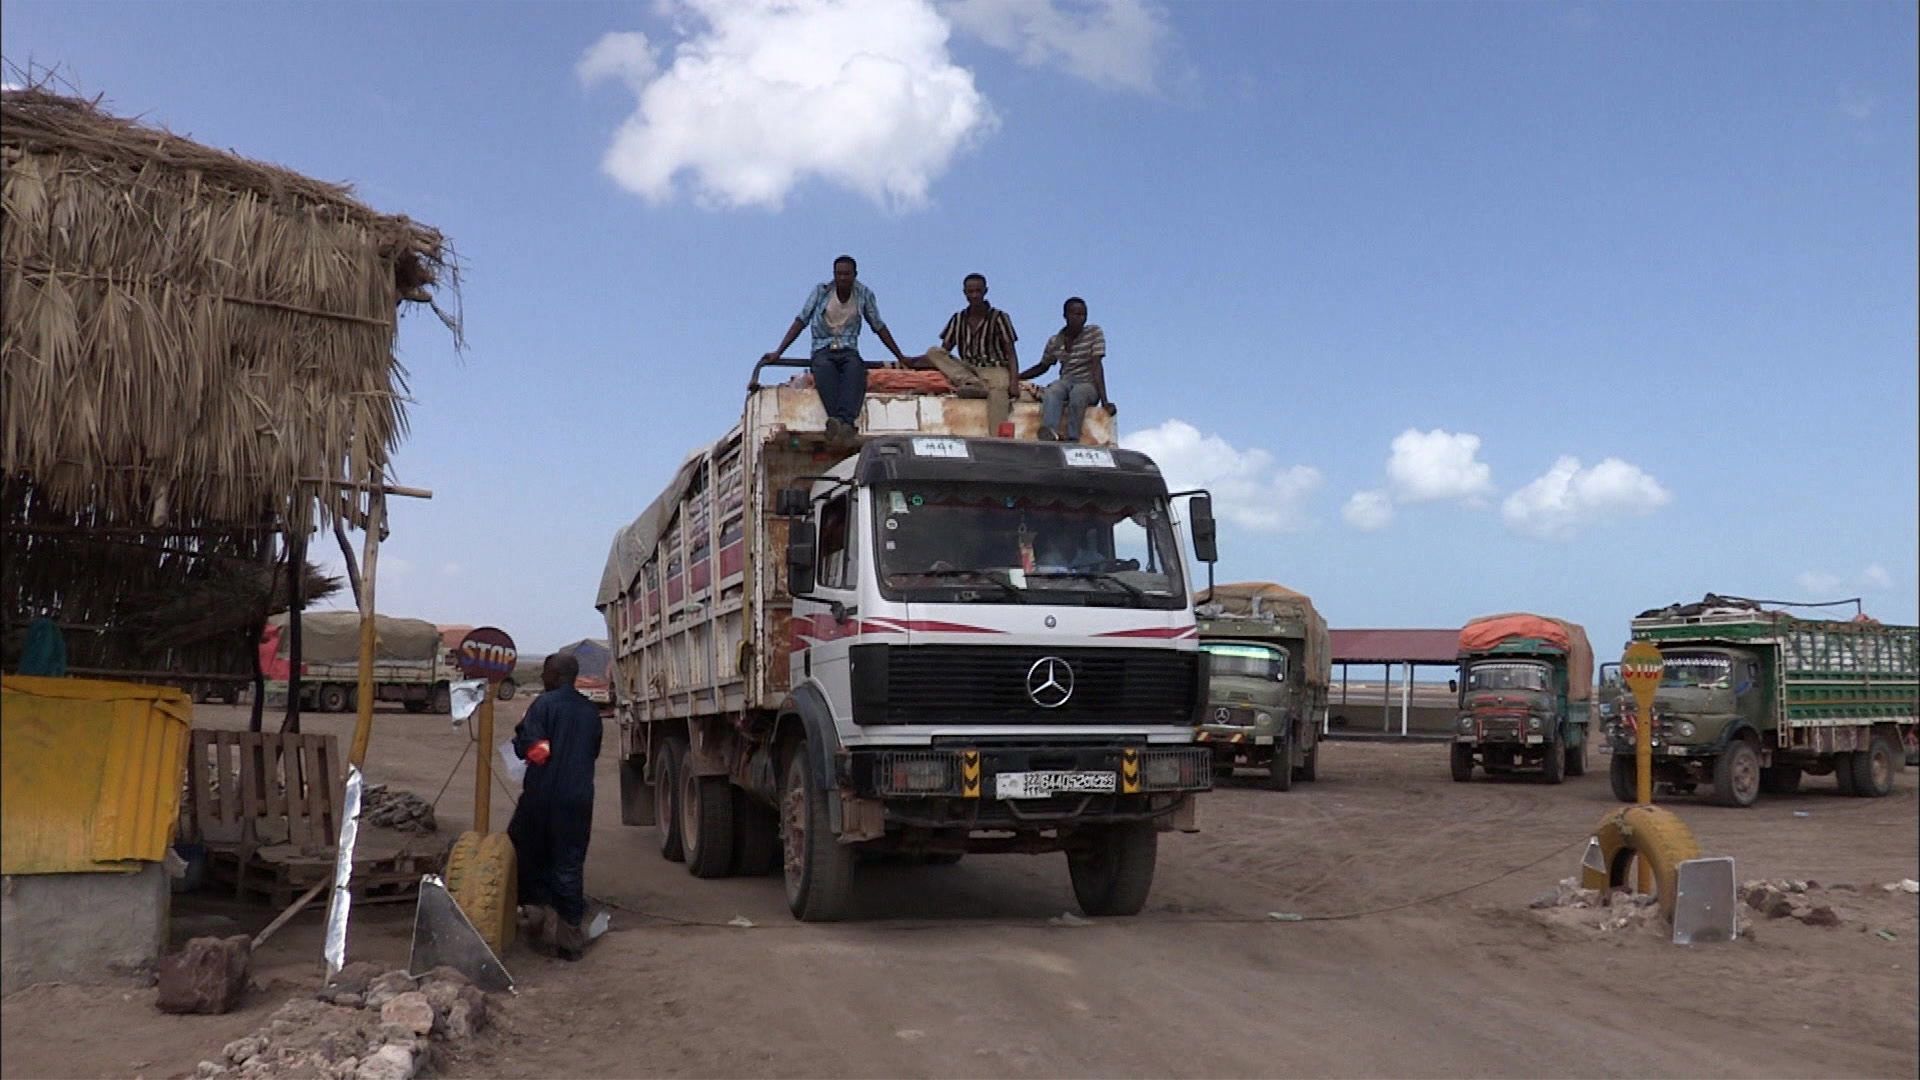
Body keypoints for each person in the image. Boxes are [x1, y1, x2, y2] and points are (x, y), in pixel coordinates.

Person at [507, 652, 603, 961]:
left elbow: (535, 750)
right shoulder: (591, 711)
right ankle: (569, 940)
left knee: (526, 851)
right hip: (578, 798)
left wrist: (522, 743)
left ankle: (533, 917)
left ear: (556, 675)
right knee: (570, 862)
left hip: (544, 797)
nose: (542, 678)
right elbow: (593, 751)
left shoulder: (544, 706)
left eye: (545, 673)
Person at [764, 256, 913, 443]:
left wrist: (900, 356)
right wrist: (779, 352)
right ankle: (843, 424)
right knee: (825, 370)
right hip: (822, 348)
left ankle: (841, 422)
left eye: (846, 274)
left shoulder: (864, 294)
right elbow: (801, 321)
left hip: (848, 349)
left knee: (855, 370)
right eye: (838, 274)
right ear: (834, 275)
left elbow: (878, 326)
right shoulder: (821, 292)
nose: (842, 278)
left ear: (855, 275)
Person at [919, 273, 1019, 433]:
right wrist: (909, 362)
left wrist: (1014, 381)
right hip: (967, 369)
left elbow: (1011, 352)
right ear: (964, 293)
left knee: (999, 392)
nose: (974, 295)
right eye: (970, 292)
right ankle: (973, 384)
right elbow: (944, 351)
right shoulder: (958, 318)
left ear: (985, 291)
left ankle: (998, 436)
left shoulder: (999, 317)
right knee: (934, 352)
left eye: (978, 291)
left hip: (994, 368)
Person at [1021, 297, 1112, 442]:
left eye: (1083, 315)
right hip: (1067, 380)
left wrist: (1105, 401)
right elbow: (1043, 366)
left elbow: (1097, 365)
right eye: (1075, 314)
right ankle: (1049, 432)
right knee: (1053, 390)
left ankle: (1073, 437)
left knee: (1078, 393)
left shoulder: (1094, 332)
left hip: (1088, 383)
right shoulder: (1055, 341)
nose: (1080, 318)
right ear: (1065, 316)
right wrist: (1018, 376)